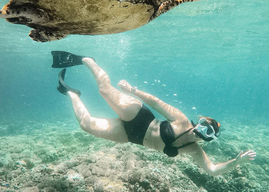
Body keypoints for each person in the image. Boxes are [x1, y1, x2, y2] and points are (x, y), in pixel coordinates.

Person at [51, 51, 256, 176]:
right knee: (105, 90)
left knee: (86, 124)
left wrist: (236, 162)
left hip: (131, 136)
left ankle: (70, 92)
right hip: (138, 115)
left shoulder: (194, 150)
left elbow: (212, 169)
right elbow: (157, 103)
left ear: (208, 139)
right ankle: (87, 60)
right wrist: (132, 91)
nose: (200, 132)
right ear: (199, 122)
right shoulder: (182, 120)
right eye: (203, 125)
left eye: (207, 133)